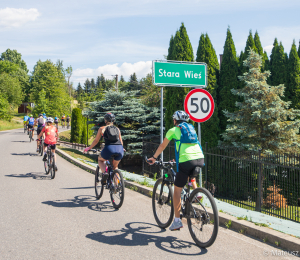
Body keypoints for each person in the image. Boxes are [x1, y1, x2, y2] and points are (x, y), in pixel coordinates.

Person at [147, 111, 204, 231]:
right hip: (200, 159)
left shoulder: (173, 130)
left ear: (174, 121)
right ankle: (197, 192)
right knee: (189, 175)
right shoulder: (191, 129)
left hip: (186, 161)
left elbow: (163, 145)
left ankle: (177, 221)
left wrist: (154, 157)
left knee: (177, 191)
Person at [84, 113, 124, 183]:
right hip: (119, 149)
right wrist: (122, 148)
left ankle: (105, 173)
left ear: (105, 121)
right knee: (115, 167)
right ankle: (116, 186)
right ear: (113, 121)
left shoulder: (102, 129)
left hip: (109, 149)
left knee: (100, 160)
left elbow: (96, 141)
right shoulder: (117, 129)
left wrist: (89, 148)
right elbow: (121, 142)